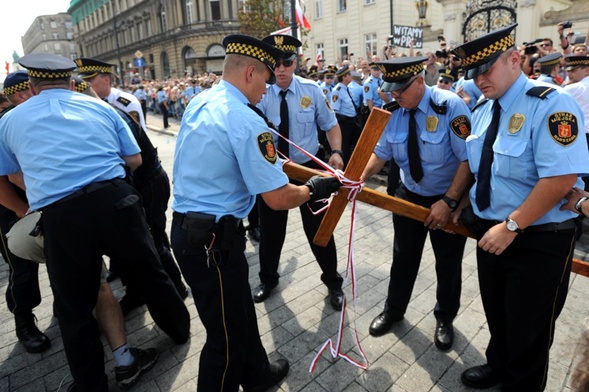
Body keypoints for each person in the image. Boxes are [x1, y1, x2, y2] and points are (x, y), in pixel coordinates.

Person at [0, 53, 190, 392]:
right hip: (115, 201)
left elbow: (10, 175)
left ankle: (91, 384)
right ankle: (179, 330)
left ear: (31, 86)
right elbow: (133, 158)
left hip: (61, 216)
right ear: (73, 84)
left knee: (73, 306)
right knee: (151, 272)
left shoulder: (10, 121)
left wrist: (45, 189)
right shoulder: (101, 107)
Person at [170, 34, 342, 391]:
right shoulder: (246, 120)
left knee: (240, 313)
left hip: (196, 232)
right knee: (225, 342)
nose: (267, 87)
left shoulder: (201, 101)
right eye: (265, 77)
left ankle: (258, 374)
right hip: (212, 242)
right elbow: (278, 199)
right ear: (250, 72)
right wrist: (313, 188)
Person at [451, 24, 589, 391]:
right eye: (472, 73)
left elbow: (561, 178)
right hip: (491, 231)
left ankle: (520, 384)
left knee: (530, 329)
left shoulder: (551, 102)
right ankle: (498, 367)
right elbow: (476, 166)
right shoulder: (483, 110)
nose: (478, 79)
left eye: (485, 69)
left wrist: (511, 226)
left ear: (514, 59)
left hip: (536, 237)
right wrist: (456, 203)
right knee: (498, 314)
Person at [360, 57, 472, 351]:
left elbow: (467, 159)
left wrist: (449, 202)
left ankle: (445, 319)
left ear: (420, 81)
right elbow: (381, 154)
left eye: (400, 91)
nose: (394, 96)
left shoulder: (449, 107)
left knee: (447, 264)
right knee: (403, 258)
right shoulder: (394, 112)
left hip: (447, 198)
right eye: (392, 91)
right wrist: (357, 177)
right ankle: (393, 311)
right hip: (409, 195)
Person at [75, 62, 188, 314]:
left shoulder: (116, 108)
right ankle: (139, 290)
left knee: (153, 240)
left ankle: (177, 289)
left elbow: (135, 156)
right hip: (134, 181)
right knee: (143, 239)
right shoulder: (101, 110)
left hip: (146, 181)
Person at [5, 209, 158, 389]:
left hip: (39, 225)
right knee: (92, 288)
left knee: (77, 289)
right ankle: (122, 362)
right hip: (49, 220)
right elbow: (11, 181)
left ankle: (97, 378)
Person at [252, 33, 345, 310]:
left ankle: (333, 282)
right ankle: (268, 279)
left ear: (297, 63)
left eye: (287, 62)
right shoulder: (259, 92)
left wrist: (337, 152)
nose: (281, 68)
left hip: (309, 170)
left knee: (320, 230)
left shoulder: (312, 90)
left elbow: (331, 125)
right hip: (273, 170)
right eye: (276, 63)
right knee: (270, 232)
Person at [0, 70, 50, 354]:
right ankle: (24, 322)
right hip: (13, 208)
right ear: (22, 94)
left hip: (41, 203)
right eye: (36, 90)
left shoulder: (33, 121)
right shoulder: (4, 124)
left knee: (58, 258)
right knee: (22, 268)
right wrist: (22, 209)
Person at [74, 58, 147, 131]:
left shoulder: (127, 103)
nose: (85, 84)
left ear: (106, 79)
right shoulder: (83, 102)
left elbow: (137, 135)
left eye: (89, 80)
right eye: (83, 80)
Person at [564, 56, 589, 191]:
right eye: (568, 70)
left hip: (583, 138)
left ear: (586, 71)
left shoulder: (572, 88)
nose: (569, 73)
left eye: (573, 70)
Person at [331, 65, 361, 165]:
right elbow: (335, 110)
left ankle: (355, 163)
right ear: (344, 77)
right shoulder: (337, 90)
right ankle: (345, 167)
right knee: (345, 146)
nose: (351, 76)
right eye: (349, 74)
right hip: (345, 122)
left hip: (352, 121)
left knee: (359, 141)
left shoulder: (346, 88)